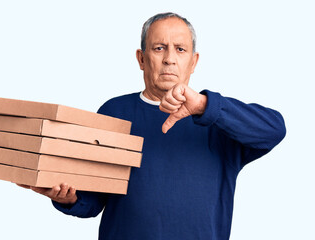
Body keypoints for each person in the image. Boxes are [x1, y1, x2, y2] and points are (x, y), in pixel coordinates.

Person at [18, 12, 286, 240]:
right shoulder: (114, 113)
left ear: (193, 61)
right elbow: (94, 200)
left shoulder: (218, 120)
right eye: (159, 48)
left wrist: (205, 106)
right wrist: (68, 198)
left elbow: (274, 130)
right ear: (141, 58)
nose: (170, 58)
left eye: (180, 49)